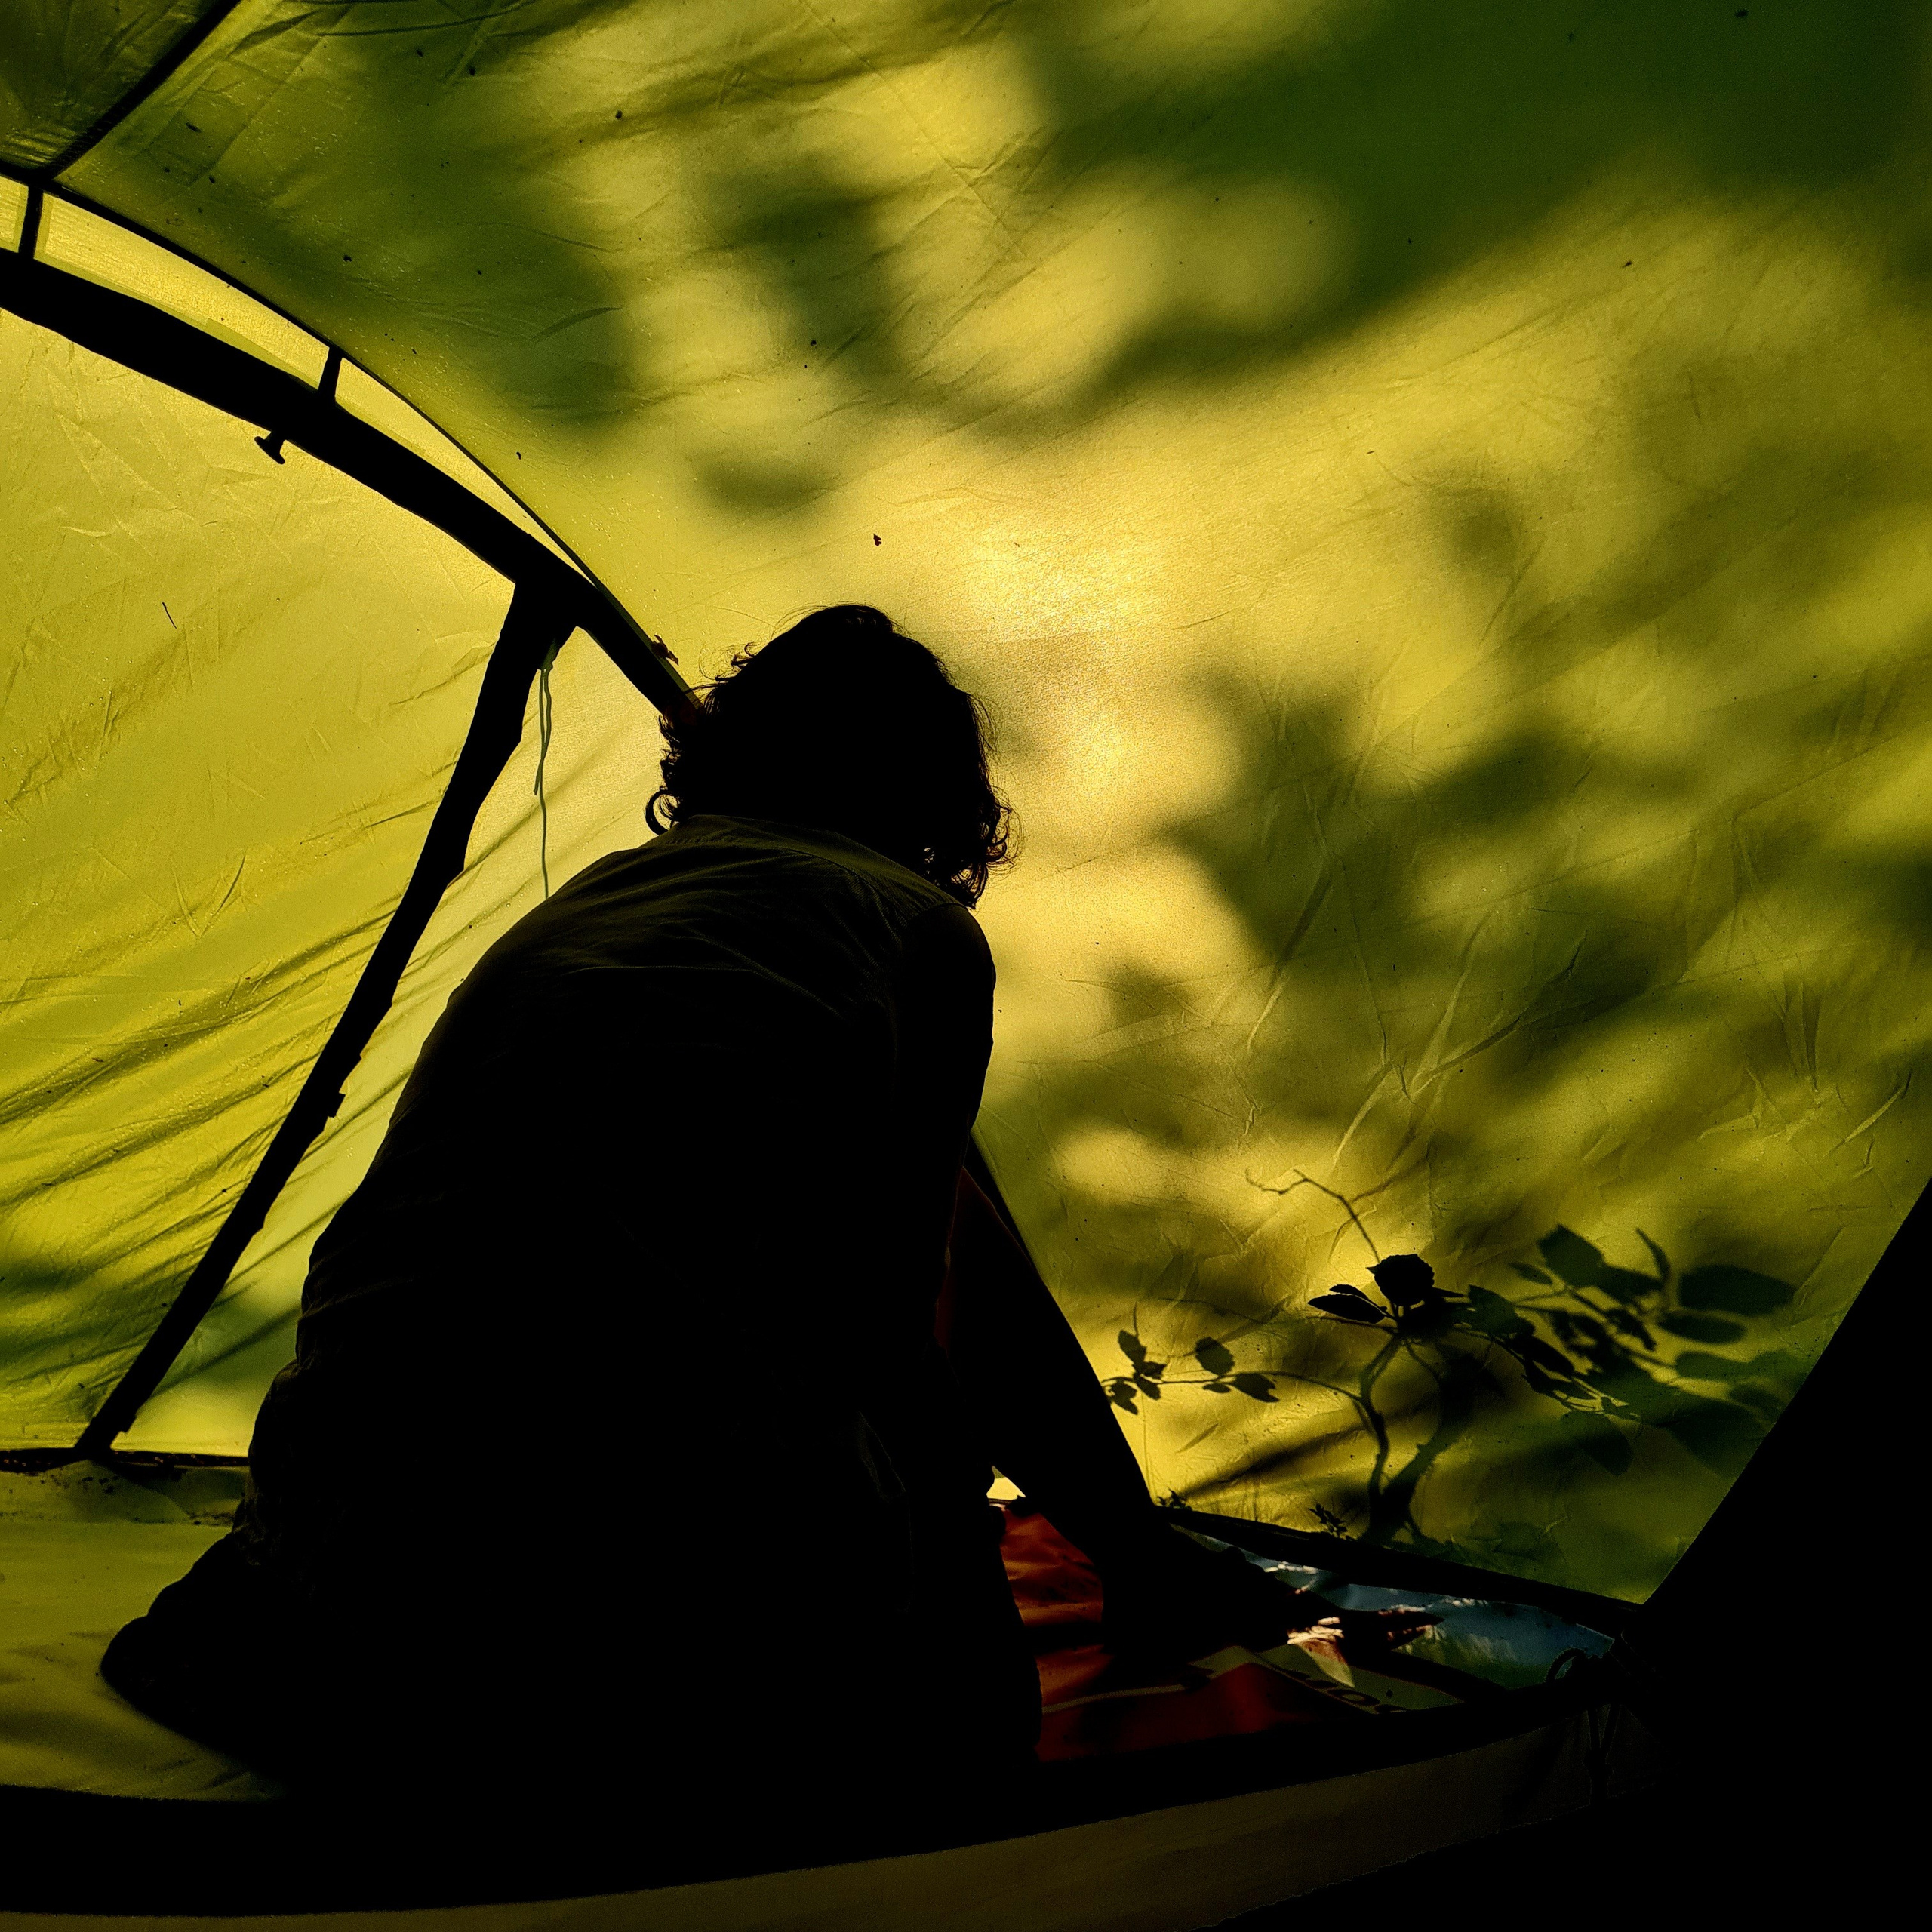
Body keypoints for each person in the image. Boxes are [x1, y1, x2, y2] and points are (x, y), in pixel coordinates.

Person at [103, 605, 1426, 1827]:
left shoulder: (596, 905)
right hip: (631, 1632)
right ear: (941, 798)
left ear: (722, 754)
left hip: (328, 1561)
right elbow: (894, 1325)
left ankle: (1118, 1548)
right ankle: (1104, 1573)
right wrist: (1014, 1554)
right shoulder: (911, 930)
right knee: (955, 1671)